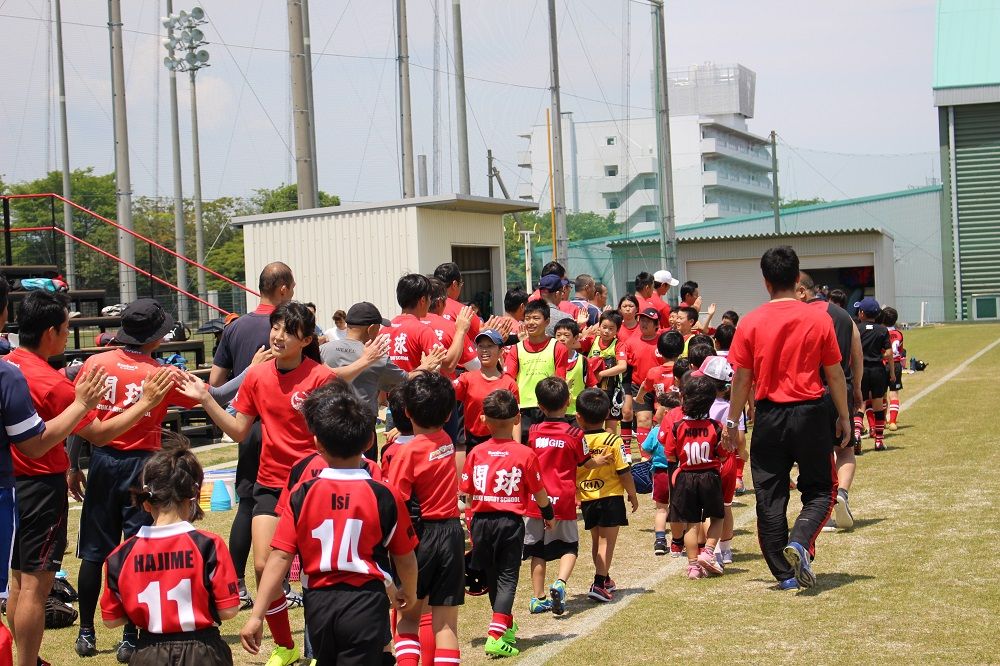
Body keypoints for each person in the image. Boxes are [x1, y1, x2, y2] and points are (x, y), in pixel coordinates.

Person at [185, 301, 388, 666]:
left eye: (288, 331)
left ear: (306, 340)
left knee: (318, 572)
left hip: (315, 484)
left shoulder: (321, 378)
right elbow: (238, 430)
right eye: (275, 328)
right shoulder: (256, 376)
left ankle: (318, 647)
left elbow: (341, 431)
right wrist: (205, 400)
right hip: (270, 482)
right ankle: (285, 645)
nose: (278, 336)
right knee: (264, 567)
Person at [5, 293, 176, 666]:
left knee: (19, 582)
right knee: (35, 587)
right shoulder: (53, 384)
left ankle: (40, 652)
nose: (68, 335)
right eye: (66, 329)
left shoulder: (8, 365)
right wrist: (145, 403)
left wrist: (72, 462)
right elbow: (99, 432)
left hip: (15, 484)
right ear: (50, 332)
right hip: (41, 487)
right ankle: (28, 661)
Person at [242, 381, 419, 665]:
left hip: (319, 603)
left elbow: (280, 557)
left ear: (317, 444)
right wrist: (407, 591)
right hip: (365, 600)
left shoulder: (302, 494)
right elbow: (405, 557)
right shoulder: (384, 494)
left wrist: (257, 615)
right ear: (369, 442)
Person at [74, 299, 205, 661]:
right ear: (155, 337)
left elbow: (79, 417)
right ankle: (130, 636)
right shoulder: (161, 374)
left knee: (93, 553)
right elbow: (209, 395)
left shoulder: (96, 363)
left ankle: (86, 632)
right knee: (137, 548)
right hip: (143, 467)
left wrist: (73, 464)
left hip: (102, 461)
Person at [724, 246, 850, 591]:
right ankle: (801, 539)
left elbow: (742, 379)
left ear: (766, 282)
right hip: (811, 412)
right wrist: (844, 416)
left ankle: (785, 574)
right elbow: (834, 374)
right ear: (797, 279)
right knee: (822, 489)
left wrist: (732, 422)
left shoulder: (750, 321)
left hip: (769, 416)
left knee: (769, 495)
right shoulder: (818, 318)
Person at [100, 436, 240, 666]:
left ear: (146, 502)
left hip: (148, 652)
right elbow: (229, 610)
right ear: (192, 497)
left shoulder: (120, 555)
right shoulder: (209, 545)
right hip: (203, 651)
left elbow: (111, 620)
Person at [209, 262, 295, 610]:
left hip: (249, 426)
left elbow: (216, 384)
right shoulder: (294, 323)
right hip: (286, 426)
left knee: (248, 504)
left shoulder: (234, 327)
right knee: (293, 503)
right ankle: (284, 584)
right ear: (284, 288)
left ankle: (237, 585)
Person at [460, 390, 552, 658]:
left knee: (492, 577)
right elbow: (539, 492)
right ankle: (496, 635)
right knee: (507, 578)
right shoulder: (524, 454)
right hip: (509, 523)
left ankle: (505, 626)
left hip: (480, 522)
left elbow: (466, 492)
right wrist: (548, 513)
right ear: (517, 419)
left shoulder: (476, 452)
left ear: (483, 419)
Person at [388, 372, 464, 665]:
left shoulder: (407, 453)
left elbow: (396, 500)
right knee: (446, 626)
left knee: (408, 619)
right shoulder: (446, 441)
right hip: (451, 533)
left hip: (420, 536)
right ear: (448, 415)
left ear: (407, 413)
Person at [525, 378, 606, 616]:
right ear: (568, 402)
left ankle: (538, 598)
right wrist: (599, 461)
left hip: (536, 500)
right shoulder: (574, 434)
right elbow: (586, 462)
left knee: (537, 551)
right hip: (563, 499)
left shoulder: (533, 432)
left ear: (539, 406)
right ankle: (560, 583)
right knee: (569, 546)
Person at [796, 272, 863, 531]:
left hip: (809, 390)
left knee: (815, 453)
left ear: (802, 291)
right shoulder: (844, 316)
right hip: (841, 388)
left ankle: (819, 507)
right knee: (844, 449)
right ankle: (842, 493)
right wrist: (857, 389)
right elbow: (856, 353)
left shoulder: (800, 315)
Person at [320, 301, 444, 436]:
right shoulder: (377, 358)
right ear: (371, 328)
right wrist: (425, 366)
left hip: (326, 424)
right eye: (378, 327)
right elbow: (404, 381)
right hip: (361, 428)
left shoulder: (322, 351)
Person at [575, 388, 639, 602]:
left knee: (597, 541)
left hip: (588, 498)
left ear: (579, 417)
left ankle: (605, 578)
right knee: (606, 543)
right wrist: (633, 494)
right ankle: (599, 583)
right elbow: (624, 471)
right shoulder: (613, 440)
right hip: (610, 496)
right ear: (607, 415)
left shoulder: (577, 440)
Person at [663, 375, 726, 579]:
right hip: (709, 477)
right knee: (717, 517)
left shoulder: (678, 426)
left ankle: (693, 567)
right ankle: (708, 551)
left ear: (684, 399)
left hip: (685, 477)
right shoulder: (716, 426)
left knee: (691, 523)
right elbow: (723, 453)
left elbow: (670, 454)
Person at [504, 300, 569, 440]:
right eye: (527, 318)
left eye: (536, 318)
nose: (531, 322)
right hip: (523, 409)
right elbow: (508, 379)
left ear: (547, 321)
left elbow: (560, 379)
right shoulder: (516, 349)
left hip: (548, 409)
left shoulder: (558, 347)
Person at [383, 274, 473, 375]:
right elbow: (448, 365)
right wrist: (461, 331)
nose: (430, 302)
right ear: (423, 300)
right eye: (429, 298)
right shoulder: (422, 330)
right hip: (415, 385)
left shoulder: (384, 329)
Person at [452, 330, 519, 451]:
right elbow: (445, 394)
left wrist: (517, 446)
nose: (484, 350)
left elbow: (516, 417)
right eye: (481, 346)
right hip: (473, 442)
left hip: (502, 444)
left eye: (490, 346)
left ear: (501, 351)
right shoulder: (466, 379)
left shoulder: (509, 383)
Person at [641, 391, 682, 556]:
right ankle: (680, 540)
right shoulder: (681, 428)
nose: (654, 413)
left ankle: (659, 540)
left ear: (665, 412)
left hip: (660, 474)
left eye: (656, 409)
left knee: (661, 509)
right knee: (679, 508)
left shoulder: (655, 431)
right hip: (678, 472)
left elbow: (645, 448)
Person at [854, 297, 895, 452]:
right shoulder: (882, 330)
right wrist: (878, 357)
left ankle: (856, 435)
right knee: (878, 405)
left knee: (860, 403)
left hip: (861, 370)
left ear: (862, 313)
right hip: (878, 370)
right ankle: (879, 441)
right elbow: (889, 353)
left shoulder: (856, 328)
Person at [622, 307, 663, 455]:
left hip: (661, 386)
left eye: (648, 321)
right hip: (639, 386)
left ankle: (661, 455)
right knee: (643, 419)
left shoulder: (663, 340)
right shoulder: (631, 342)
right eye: (642, 320)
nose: (644, 323)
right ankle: (645, 457)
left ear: (656, 324)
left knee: (661, 420)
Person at [587, 311, 627, 433]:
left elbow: (622, 367)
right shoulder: (591, 340)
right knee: (591, 425)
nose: (606, 331)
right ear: (599, 326)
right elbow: (572, 344)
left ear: (617, 330)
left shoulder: (619, 345)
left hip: (612, 390)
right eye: (604, 327)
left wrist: (601, 374)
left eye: (611, 328)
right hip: (592, 390)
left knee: (610, 428)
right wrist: (582, 326)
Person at [434, 261, 482, 338]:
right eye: (461, 283)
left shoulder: (424, 308)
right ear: (455, 284)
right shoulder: (463, 311)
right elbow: (481, 334)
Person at [552, 320, 590, 417]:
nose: (562, 338)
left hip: (576, 413)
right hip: (554, 413)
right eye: (558, 335)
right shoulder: (549, 359)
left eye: (566, 335)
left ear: (576, 338)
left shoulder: (583, 360)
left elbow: (591, 384)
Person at [882, 306, 904, 430]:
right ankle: (893, 422)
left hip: (883, 364)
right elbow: (900, 351)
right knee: (894, 393)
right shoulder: (899, 334)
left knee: (882, 394)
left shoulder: (880, 332)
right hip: (896, 365)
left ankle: (882, 420)